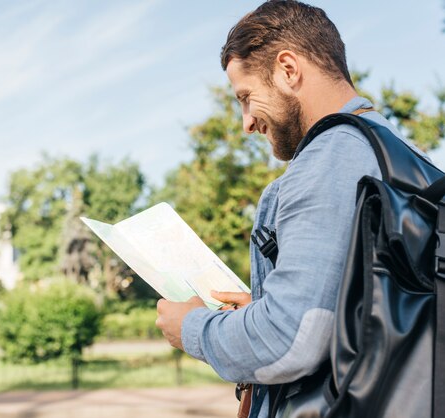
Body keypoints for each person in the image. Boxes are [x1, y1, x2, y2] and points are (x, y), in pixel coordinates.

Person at [154, 1, 427, 417]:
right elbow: (369, 308)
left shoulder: (326, 160)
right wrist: (263, 303)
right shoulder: (404, 155)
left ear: (288, 69)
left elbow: (288, 339)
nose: (246, 122)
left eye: (246, 97)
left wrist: (189, 328)